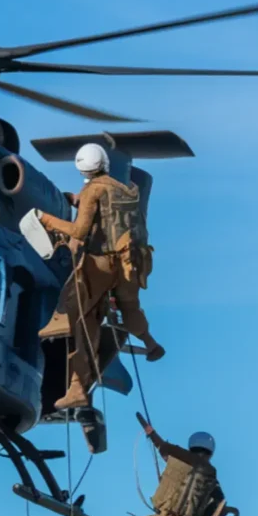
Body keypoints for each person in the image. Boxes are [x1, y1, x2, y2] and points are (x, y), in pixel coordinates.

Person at [38, 143, 164, 410]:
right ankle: (151, 345)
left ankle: (76, 388)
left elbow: (80, 231)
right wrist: (79, 201)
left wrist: (48, 221)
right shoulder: (125, 188)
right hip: (131, 264)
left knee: (80, 319)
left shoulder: (93, 190)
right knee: (129, 307)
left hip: (102, 264)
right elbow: (109, 215)